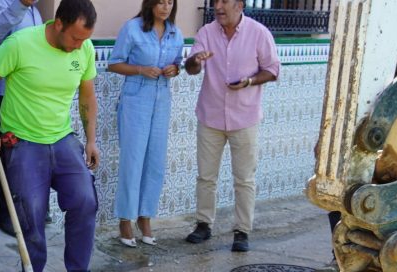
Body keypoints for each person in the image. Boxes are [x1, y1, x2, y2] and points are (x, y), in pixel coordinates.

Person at [0, 0, 113, 272]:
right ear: (59, 24)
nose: (80, 44)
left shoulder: (84, 49)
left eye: (85, 39)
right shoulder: (21, 43)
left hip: (62, 138)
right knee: (31, 213)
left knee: (85, 200)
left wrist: (91, 140)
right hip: (23, 141)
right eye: (76, 37)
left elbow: (87, 95)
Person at [182, 0, 279, 253]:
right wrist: (195, 59)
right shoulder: (206, 33)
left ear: (239, 5)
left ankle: (242, 231)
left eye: (225, 1)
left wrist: (249, 81)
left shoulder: (259, 33)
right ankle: (203, 224)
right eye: (216, 2)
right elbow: (191, 68)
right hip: (210, 116)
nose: (219, 6)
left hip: (244, 118)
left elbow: (272, 70)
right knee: (206, 176)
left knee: (244, 178)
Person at [106, 0, 182, 247]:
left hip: (162, 98)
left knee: (155, 161)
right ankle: (125, 219)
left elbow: (178, 62)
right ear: (150, 4)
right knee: (133, 159)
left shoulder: (175, 32)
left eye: (170, 2)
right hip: (136, 97)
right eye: (160, 2)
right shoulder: (132, 28)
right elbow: (114, 63)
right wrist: (140, 69)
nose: (165, 7)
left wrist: (174, 69)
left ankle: (145, 216)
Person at [0, 0, 43, 236]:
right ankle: (4, 214)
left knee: (25, 154)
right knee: (4, 154)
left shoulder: (36, 11)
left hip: (29, 96)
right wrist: (20, 4)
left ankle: (25, 211)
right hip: (5, 94)